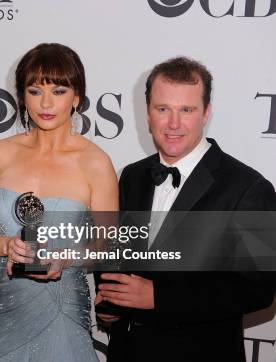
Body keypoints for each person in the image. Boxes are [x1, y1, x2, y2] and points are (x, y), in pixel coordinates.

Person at [96, 57, 276, 362]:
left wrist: (159, 298)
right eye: (163, 109)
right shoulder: (131, 176)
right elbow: (115, 255)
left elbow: (257, 288)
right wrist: (110, 305)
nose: (174, 123)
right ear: (148, 113)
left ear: (206, 113)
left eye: (187, 110)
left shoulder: (248, 187)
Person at [0, 43, 118, 361]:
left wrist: (63, 259)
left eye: (59, 90)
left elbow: (105, 245)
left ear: (77, 96)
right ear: (22, 96)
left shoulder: (95, 162)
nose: (46, 103)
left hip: (62, 310)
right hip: (3, 313)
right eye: (35, 91)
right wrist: (6, 246)